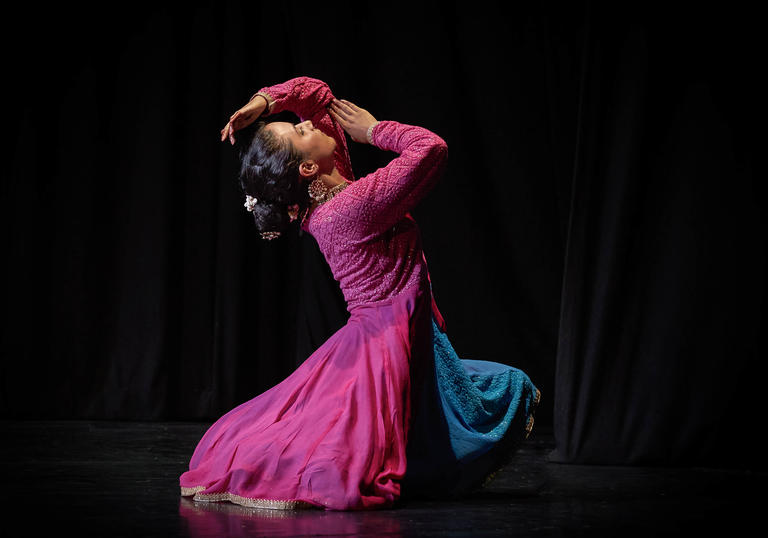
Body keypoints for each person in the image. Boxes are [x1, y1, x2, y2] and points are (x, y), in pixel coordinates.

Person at [179, 76, 540, 511]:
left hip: (407, 328)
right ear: (307, 168)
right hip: (389, 336)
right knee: (492, 394)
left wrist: (263, 104)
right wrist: (374, 130)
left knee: (480, 398)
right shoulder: (351, 208)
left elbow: (318, 98)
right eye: (298, 132)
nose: (307, 126)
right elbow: (431, 149)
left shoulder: (331, 191)